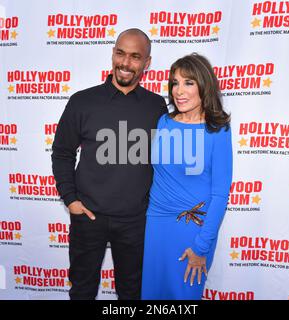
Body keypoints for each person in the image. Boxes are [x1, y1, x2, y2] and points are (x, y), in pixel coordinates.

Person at [51, 28, 168, 300]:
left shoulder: (156, 106)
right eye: (120, 53)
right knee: (82, 291)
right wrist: (71, 200)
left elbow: (166, 162)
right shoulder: (82, 101)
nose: (125, 63)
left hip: (136, 221)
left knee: (131, 293)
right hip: (87, 216)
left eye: (135, 57)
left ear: (147, 63)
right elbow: (62, 153)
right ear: (113, 54)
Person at [141, 53, 233, 300]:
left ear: (205, 86)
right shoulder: (164, 122)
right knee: (150, 296)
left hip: (192, 230)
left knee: (182, 297)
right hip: (155, 224)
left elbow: (220, 193)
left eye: (188, 83)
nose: (178, 91)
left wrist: (202, 245)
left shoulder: (217, 130)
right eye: (175, 83)